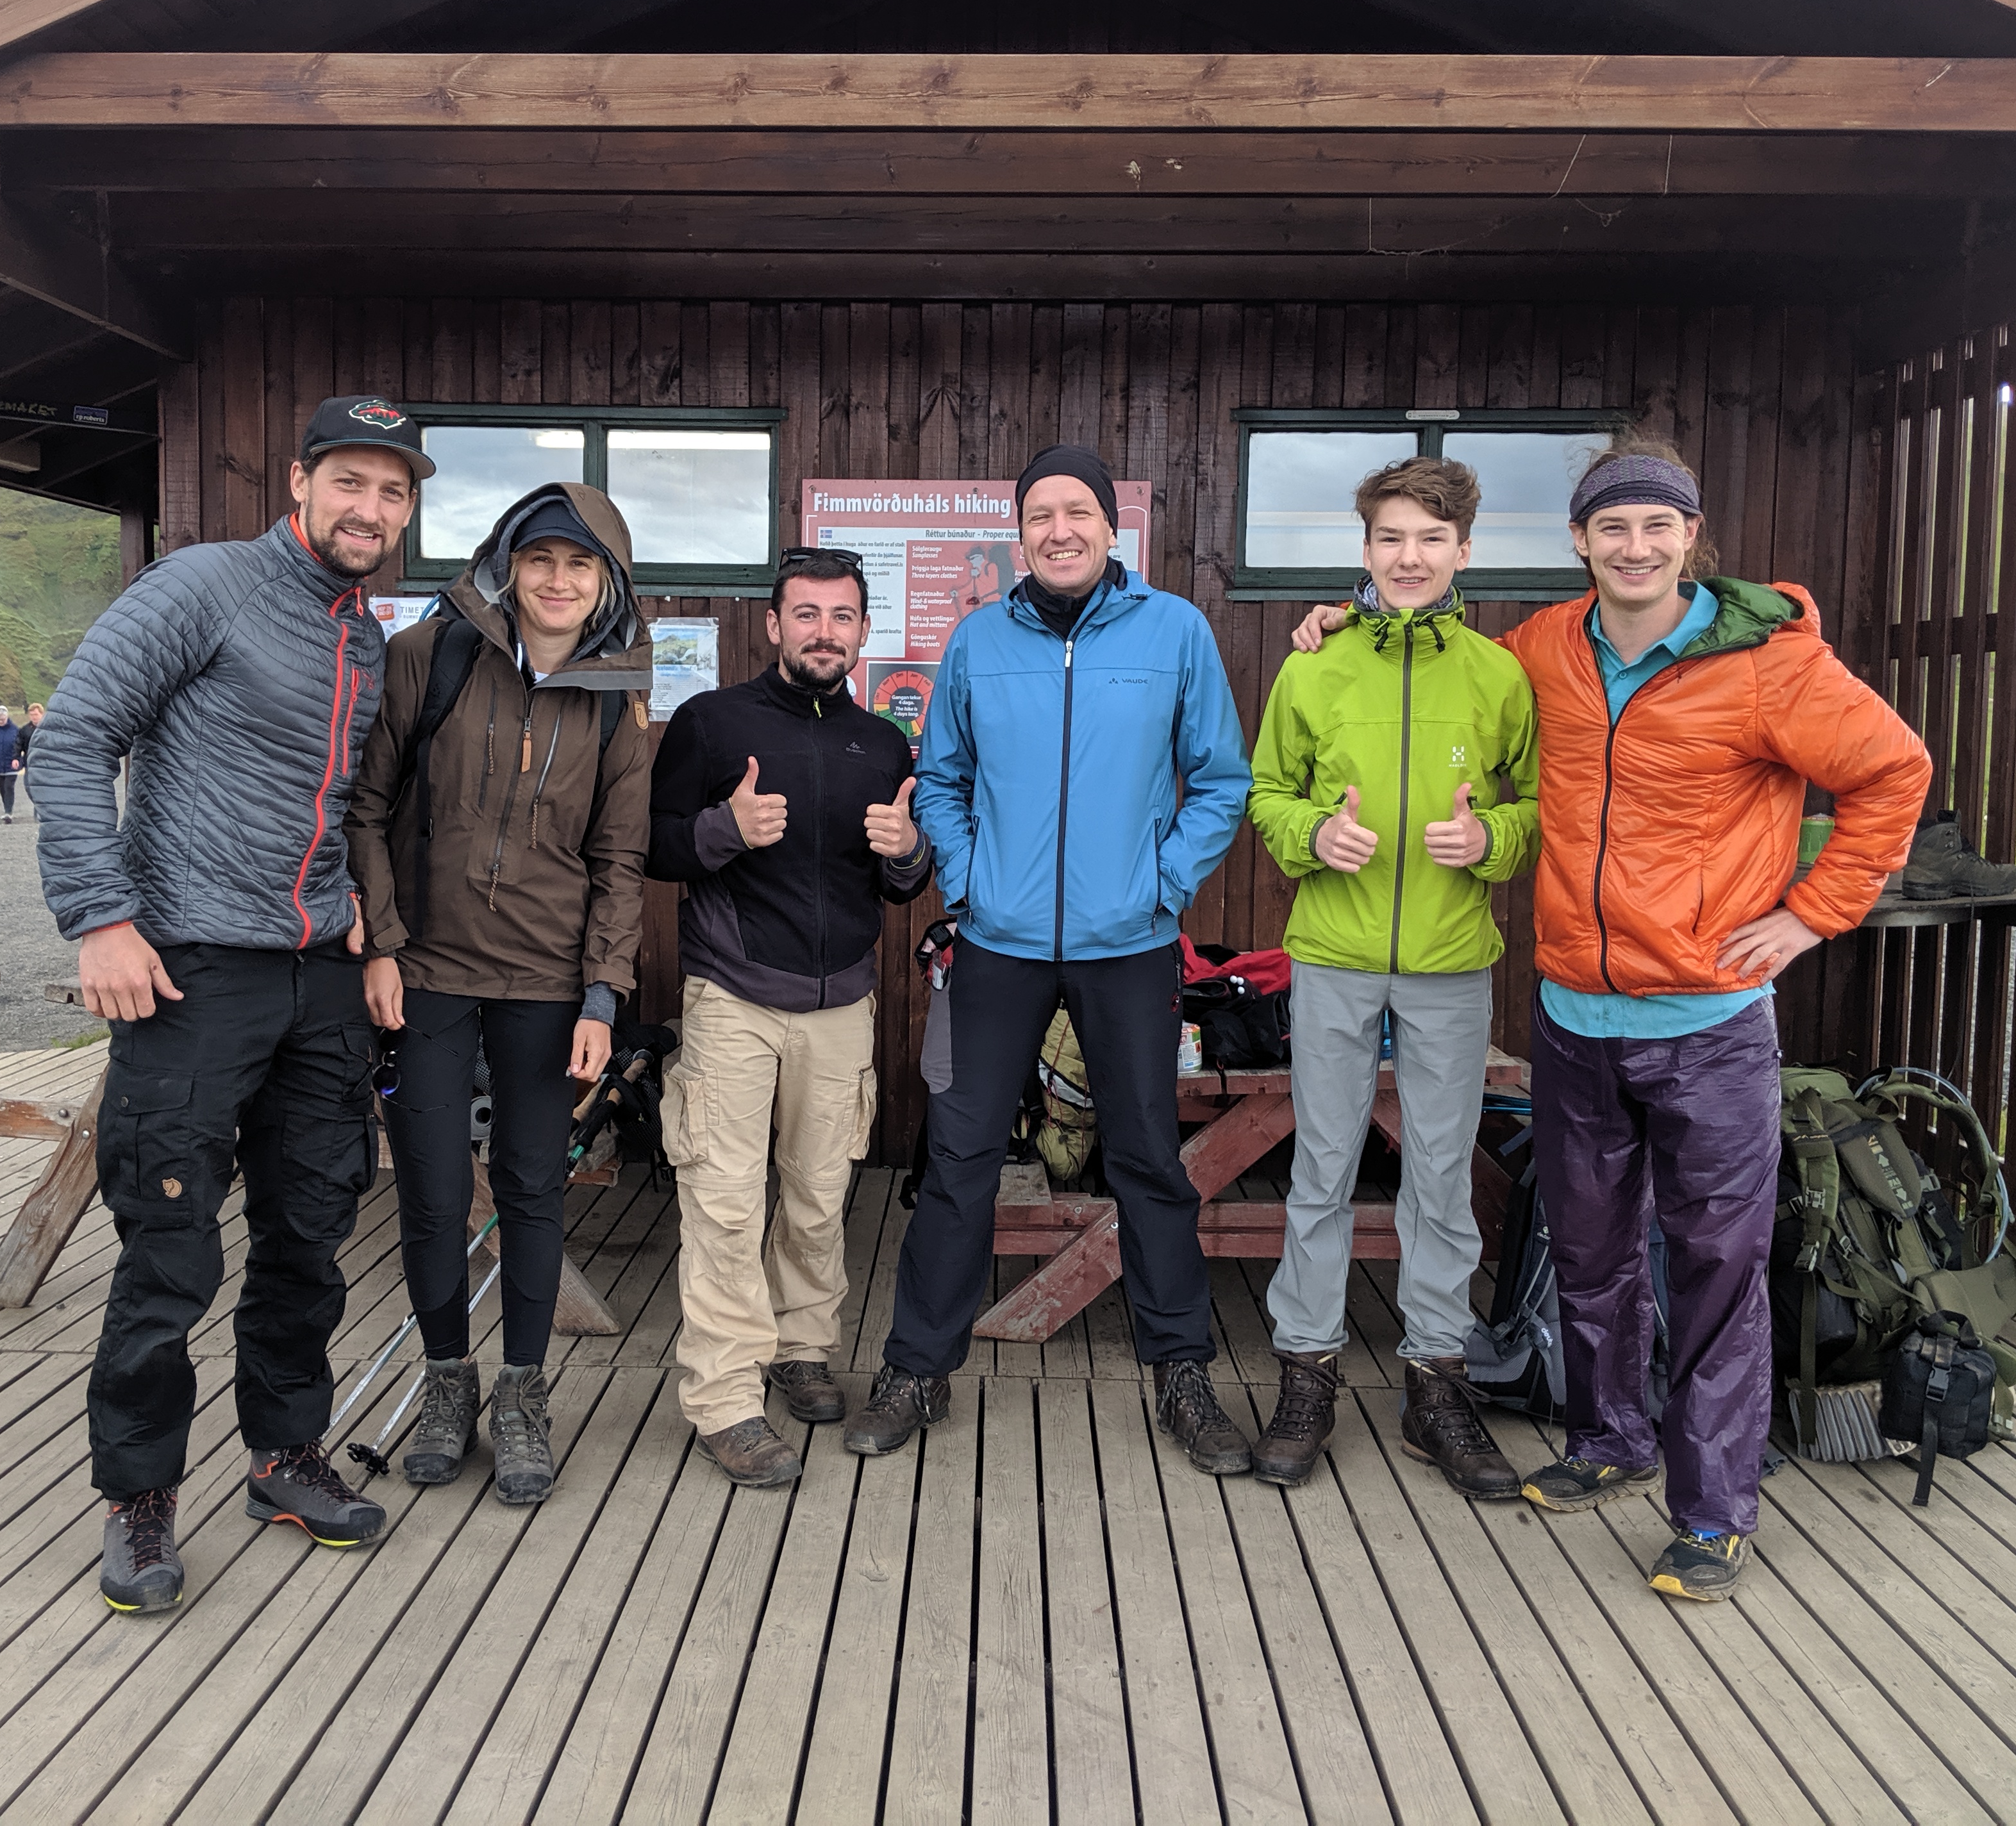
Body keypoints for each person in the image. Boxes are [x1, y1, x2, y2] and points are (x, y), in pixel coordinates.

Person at [1287, 438, 1928, 1601]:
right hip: (1576, 1013)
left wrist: (1809, 914)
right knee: (1587, 1252)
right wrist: (1337, 618)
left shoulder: (1770, 662)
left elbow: (1893, 771)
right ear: (1578, 541)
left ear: (1692, 537)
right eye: (1611, 527)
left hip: (1711, 1019)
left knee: (1713, 1268)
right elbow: (1426, 649)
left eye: (1658, 526)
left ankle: (1713, 1508)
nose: (1635, 547)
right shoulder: (1544, 649)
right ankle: (1607, 1438)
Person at [30, 393, 429, 1617]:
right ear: (301, 483)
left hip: (317, 974)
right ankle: (138, 1499)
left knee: (311, 1230)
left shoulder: (363, 636)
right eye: (350, 482)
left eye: (394, 490)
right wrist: (100, 914)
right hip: (190, 967)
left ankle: (284, 1455)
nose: (371, 508)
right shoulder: (198, 585)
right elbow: (71, 738)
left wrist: (363, 923)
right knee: (170, 1245)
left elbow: (341, 805)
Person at [849, 444, 1254, 1472]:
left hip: (1130, 945)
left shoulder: (1175, 631)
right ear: (1018, 532)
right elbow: (940, 778)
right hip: (999, 942)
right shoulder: (980, 641)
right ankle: (916, 1368)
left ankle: (1183, 1371)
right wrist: (975, 883)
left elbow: (1219, 778)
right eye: (1041, 514)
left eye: (1078, 512)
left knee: (1151, 1163)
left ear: (1111, 529)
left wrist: (1162, 888)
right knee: (960, 1157)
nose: (1060, 530)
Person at [345, 481, 653, 1507]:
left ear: (605, 580)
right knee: (432, 1190)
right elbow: (367, 807)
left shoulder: (617, 698)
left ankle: (522, 1397)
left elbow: (620, 861)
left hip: (547, 984)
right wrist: (381, 944)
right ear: (507, 565)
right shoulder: (427, 660)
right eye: (541, 560)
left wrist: (605, 996)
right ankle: (447, 1387)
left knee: (529, 1189)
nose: (558, 581)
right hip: (424, 971)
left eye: (580, 565)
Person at [1245, 457, 1538, 1495]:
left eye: (1429, 539)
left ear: (1464, 550)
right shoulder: (1313, 668)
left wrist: (1492, 836)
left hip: (1452, 965)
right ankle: (1308, 1372)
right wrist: (1310, 833)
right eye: (1389, 538)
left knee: (1441, 1180)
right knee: (1321, 1168)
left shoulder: (1498, 674)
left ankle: (1434, 1384)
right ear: (1363, 547)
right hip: (1331, 954)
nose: (1407, 557)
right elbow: (1265, 791)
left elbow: (1539, 801)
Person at [648, 545, 931, 1488]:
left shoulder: (882, 744)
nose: (823, 632)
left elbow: (895, 885)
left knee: (818, 1196)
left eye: (841, 617)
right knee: (726, 1203)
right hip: (732, 998)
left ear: (862, 631)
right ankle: (726, 1396)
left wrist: (908, 855)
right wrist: (724, 830)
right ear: (772, 625)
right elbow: (652, 846)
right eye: (804, 614)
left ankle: (801, 1349)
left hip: (841, 1002)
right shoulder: (710, 722)